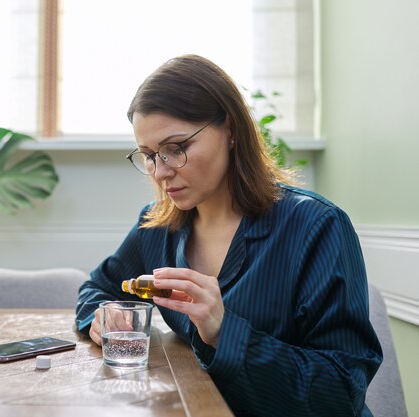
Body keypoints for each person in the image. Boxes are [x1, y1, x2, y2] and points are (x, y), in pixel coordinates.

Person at [74, 54, 382, 417]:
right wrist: (103, 317)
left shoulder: (316, 227)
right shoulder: (157, 226)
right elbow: (98, 288)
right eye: (149, 155)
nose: (159, 172)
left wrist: (224, 333)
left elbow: (341, 391)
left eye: (176, 148)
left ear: (231, 130)